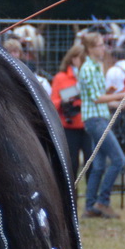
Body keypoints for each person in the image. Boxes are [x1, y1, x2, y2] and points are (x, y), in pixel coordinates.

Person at [74, 31, 125, 218]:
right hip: (96, 120)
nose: (104, 48)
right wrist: (121, 95)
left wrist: (119, 100)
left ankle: (89, 206)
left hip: (99, 118)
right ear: (90, 48)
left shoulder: (96, 67)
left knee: (99, 165)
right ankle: (102, 201)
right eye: (100, 45)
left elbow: (99, 97)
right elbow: (97, 99)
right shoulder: (88, 69)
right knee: (119, 159)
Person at [51, 49, 88, 181]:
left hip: (87, 124)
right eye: (80, 59)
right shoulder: (61, 78)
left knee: (91, 164)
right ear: (72, 59)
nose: (83, 62)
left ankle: (91, 201)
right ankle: (73, 199)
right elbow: (53, 102)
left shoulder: (89, 75)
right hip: (69, 126)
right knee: (71, 164)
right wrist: (64, 101)